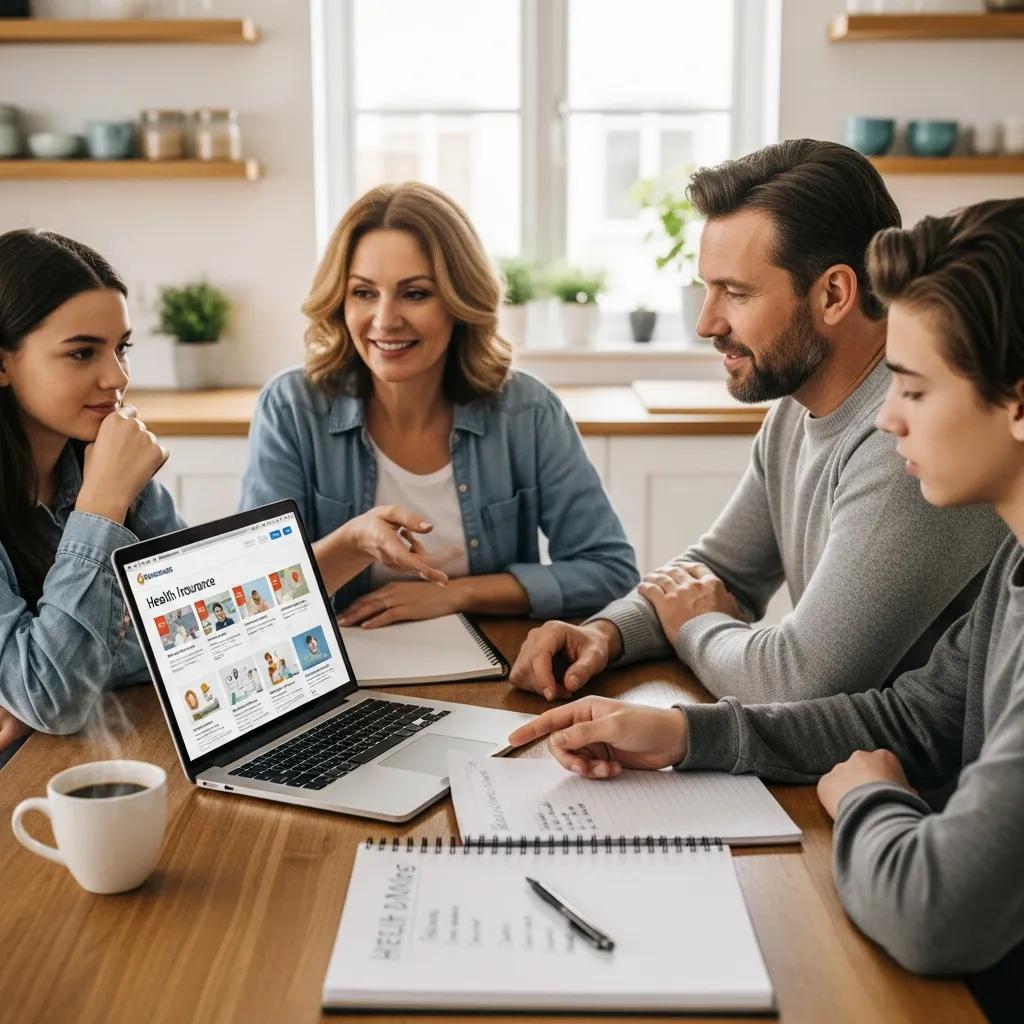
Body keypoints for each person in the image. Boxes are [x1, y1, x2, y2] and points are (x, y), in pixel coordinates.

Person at [509, 198, 1024, 1022]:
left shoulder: (913, 476)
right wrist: (683, 734)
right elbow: (917, 714)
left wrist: (866, 796)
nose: (892, 415)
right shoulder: (1015, 561)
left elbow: (937, 912)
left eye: (916, 389)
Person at [510, 140, 1005, 704]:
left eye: (735, 293)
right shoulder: (796, 407)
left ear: (834, 294)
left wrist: (694, 627)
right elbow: (720, 571)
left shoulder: (908, 441)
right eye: (706, 288)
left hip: (912, 782)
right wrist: (606, 633)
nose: (706, 322)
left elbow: (799, 679)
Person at [239, 182, 638, 627]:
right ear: (339, 299)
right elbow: (256, 598)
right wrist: (353, 543)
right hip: (343, 678)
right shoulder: (291, 408)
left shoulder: (527, 411)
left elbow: (609, 571)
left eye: (415, 293)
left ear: (459, 301)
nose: (385, 320)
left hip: (494, 670)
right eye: (364, 292)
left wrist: (458, 594)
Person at [0, 229, 184, 765]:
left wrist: (38, 682)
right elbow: (55, 699)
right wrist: (102, 505)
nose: (118, 377)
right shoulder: (112, 476)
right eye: (82, 353)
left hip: (99, 752)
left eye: (121, 347)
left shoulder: (106, 459)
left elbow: (196, 629)